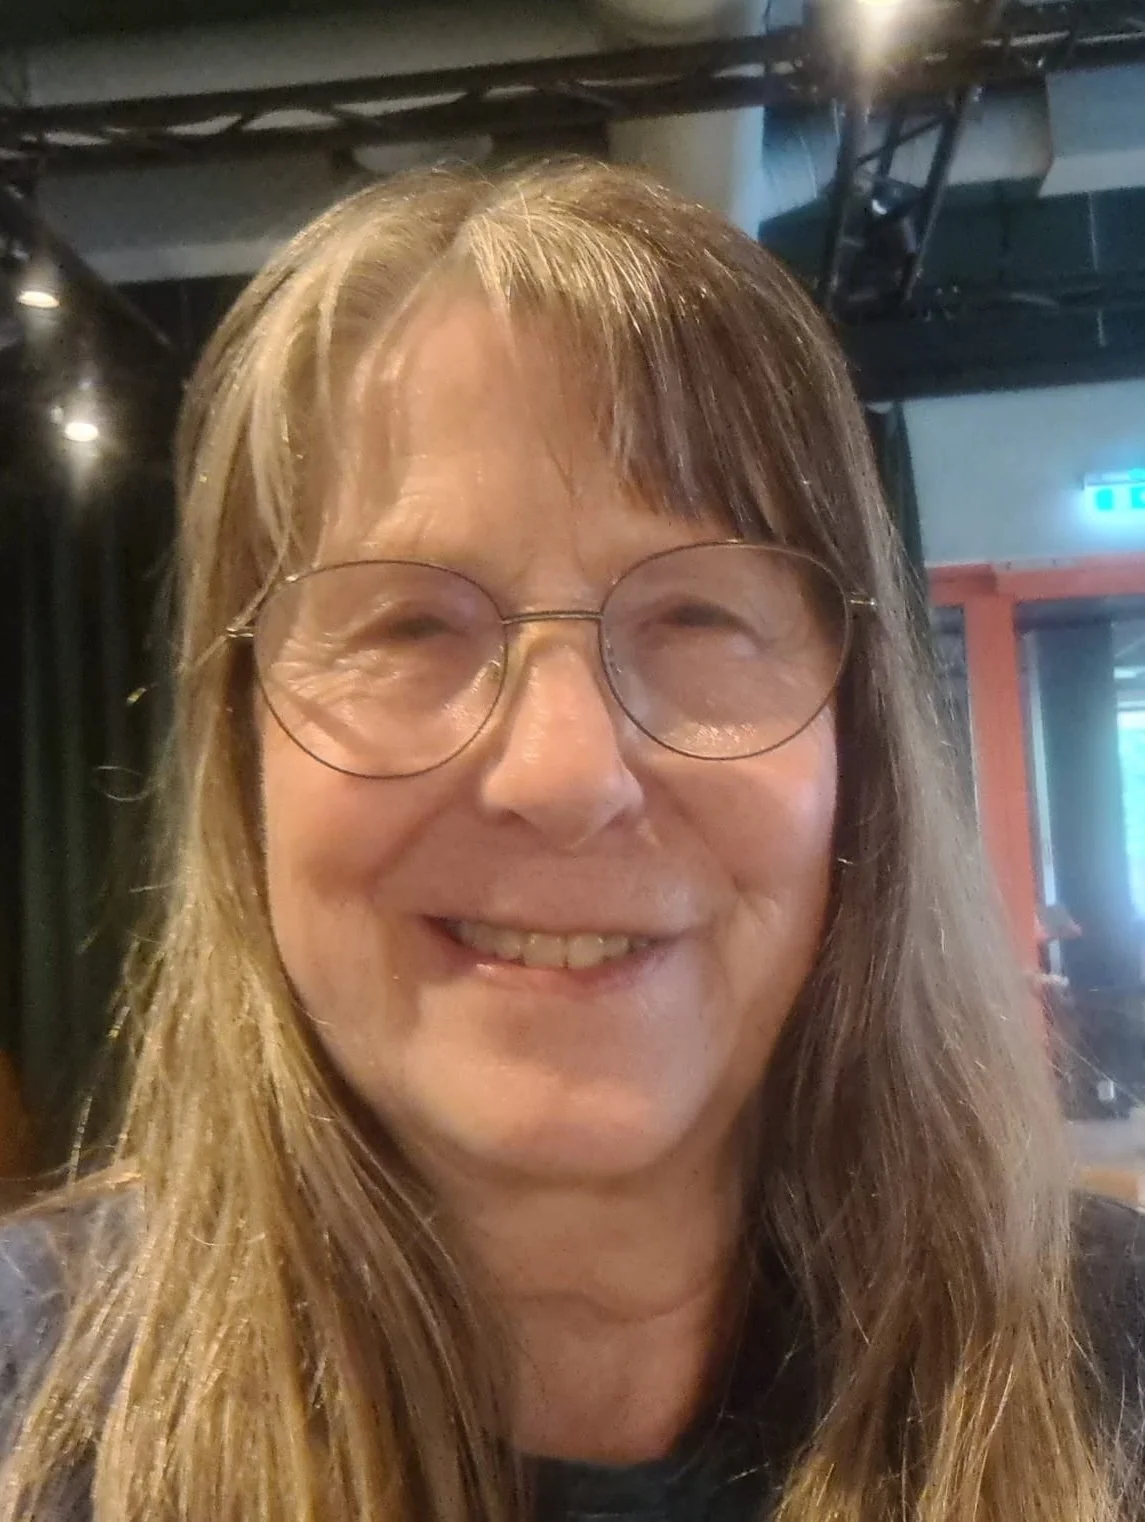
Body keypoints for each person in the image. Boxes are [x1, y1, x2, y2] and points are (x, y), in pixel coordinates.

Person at [1, 158, 1143, 1522]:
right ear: (240, 748)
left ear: (861, 744)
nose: (565, 772)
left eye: (699, 619)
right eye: (408, 625)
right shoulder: (36, 1405)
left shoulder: (1110, 1370)